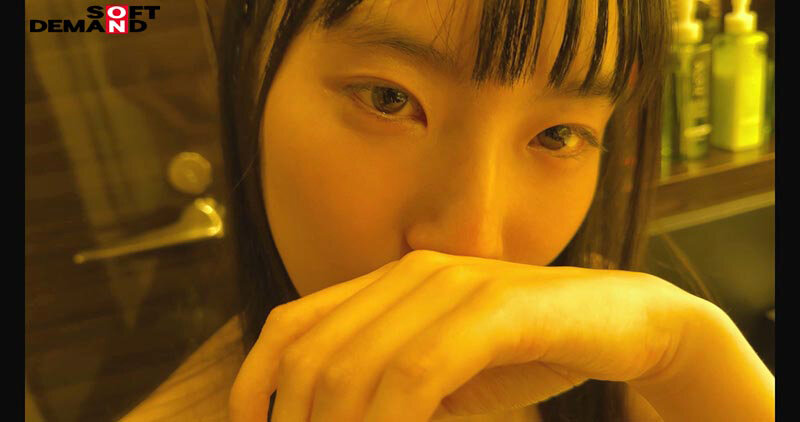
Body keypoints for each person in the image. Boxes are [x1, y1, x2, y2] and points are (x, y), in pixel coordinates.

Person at [121, 0, 775, 421]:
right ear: (251, 74)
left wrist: (688, 352)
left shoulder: (615, 357)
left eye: (557, 135)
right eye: (388, 99)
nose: (473, 242)